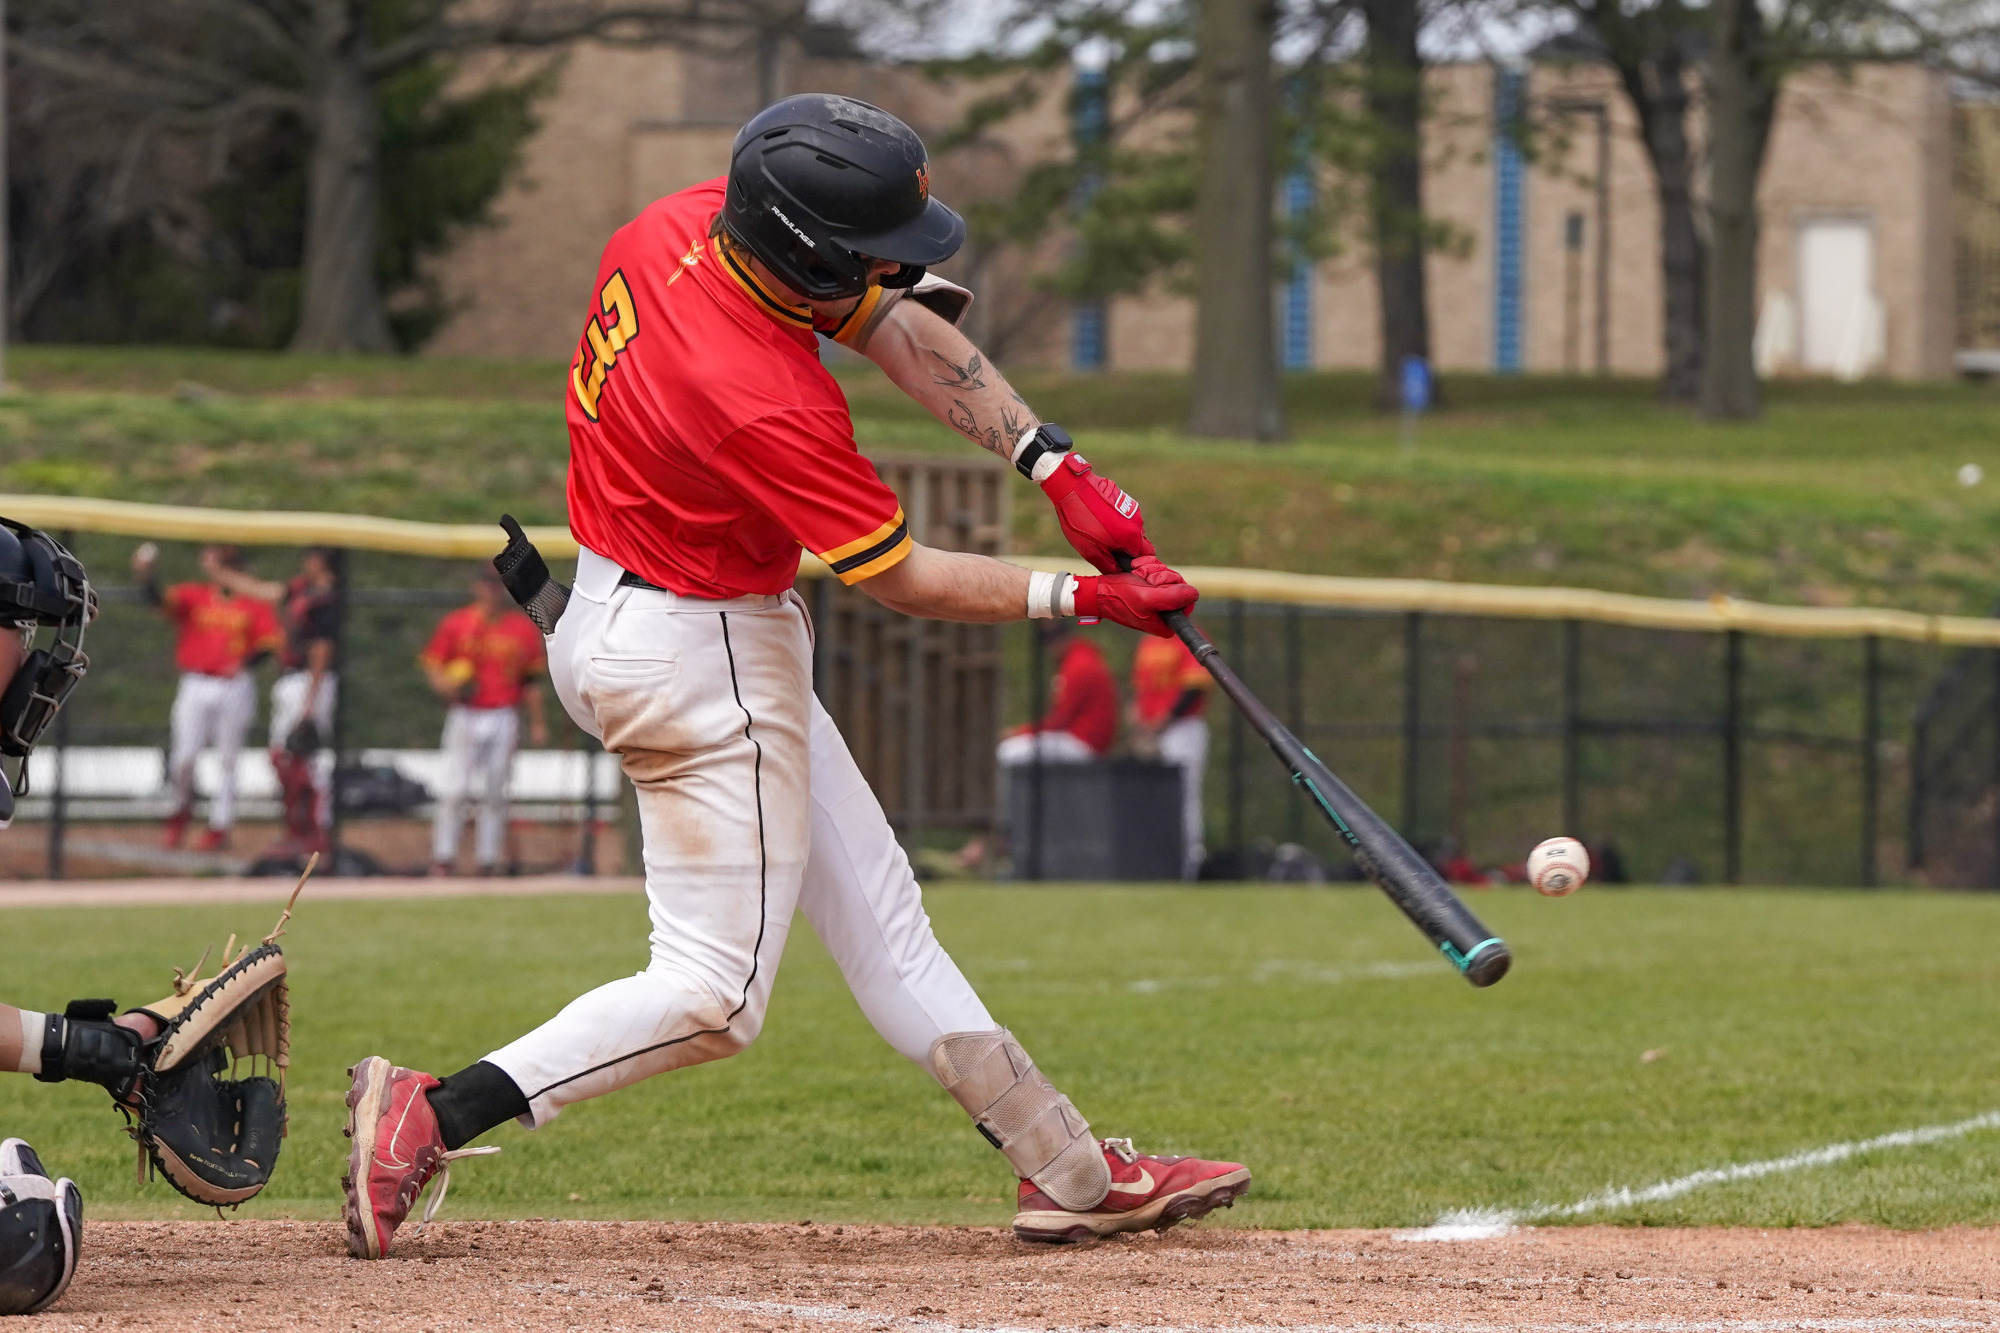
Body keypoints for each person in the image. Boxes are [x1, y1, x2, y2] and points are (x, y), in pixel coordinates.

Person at [341, 93, 1246, 1260]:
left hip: (645, 612)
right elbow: (905, 576)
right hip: (699, 653)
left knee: (885, 923)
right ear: (805, 252)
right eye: (871, 256)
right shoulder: (758, 392)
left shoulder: (685, 220)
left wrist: (1052, 461)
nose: (896, 275)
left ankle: (1068, 1171)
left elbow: (891, 323)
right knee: (714, 994)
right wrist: (1084, 595)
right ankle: (436, 1108)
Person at [134, 543, 283, 852]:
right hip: (196, 681)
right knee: (184, 757)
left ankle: (220, 826)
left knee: (229, 759)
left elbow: (269, 643)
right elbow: (159, 603)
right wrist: (147, 576)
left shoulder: (253, 602)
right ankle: (181, 808)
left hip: (235, 685)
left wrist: (244, 663)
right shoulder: (196, 594)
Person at [206, 548, 342, 860]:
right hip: (291, 680)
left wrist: (310, 702)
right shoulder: (299, 589)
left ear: (322, 561)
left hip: (311, 681)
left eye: (313, 556)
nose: (306, 560)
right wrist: (220, 573)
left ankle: (315, 833)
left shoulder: (327, 599)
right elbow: (261, 591)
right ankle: (298, 832)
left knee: (305, 759)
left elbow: (322, 650)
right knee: (284, 758)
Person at [419, 568, 550, 876]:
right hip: (465, 712)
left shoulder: (520, 628)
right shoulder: (457, 623)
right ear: (477, 586)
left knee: (495, 791)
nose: (493, 591)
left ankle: (487, 860)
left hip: (504, 713)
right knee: (454, 789)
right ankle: (444, 858)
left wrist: (538, 723)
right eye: (488, 584)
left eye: (498, 585)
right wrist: (446, 686)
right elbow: (434, 666)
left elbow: (530, 682)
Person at [1129, 630, 1212, 880]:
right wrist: (1137, 718)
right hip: (1151, 732)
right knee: (1151, 801)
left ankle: (1189, 866)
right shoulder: (1148, 641)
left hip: (1183, 729)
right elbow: (1140, 689)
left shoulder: (1189, 635)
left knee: (1184, 797)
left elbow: (1195, 687)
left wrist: (1165, 720)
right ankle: (1156, 865)